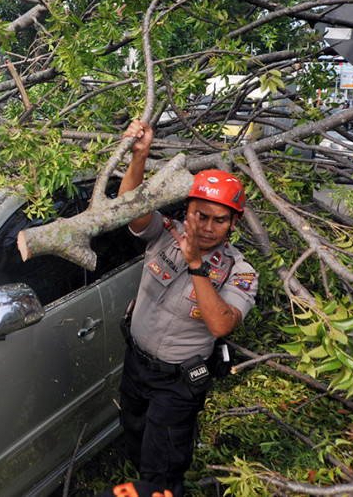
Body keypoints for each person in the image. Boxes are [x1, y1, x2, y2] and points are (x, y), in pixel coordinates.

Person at [117, 119, 258, 497]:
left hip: (177, 383)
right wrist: (139, 156)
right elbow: (128, 209)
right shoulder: (166, 232)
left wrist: (196, 264)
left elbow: (221, 325)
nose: (208, 227)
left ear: (233, 223)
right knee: (134, 433)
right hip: (136, 365)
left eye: (220, 220)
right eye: (201, 215)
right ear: (187, 210)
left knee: (162, 470)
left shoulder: (240, 271)